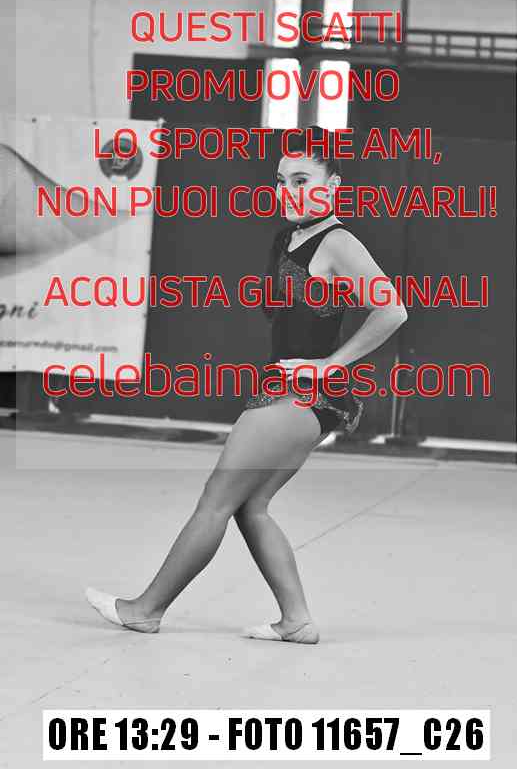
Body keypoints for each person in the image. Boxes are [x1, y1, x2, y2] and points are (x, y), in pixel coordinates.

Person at [86, 127, 408, 645]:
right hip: (294, 395)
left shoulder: (338, 242)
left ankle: (145, 609)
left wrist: (330, 364)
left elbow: (391, 309)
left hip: (296, 394)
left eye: (302, 180)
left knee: (216, 500)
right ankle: (296, 620)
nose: (288, 191)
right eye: (281, 180)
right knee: (250, 507)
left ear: (333, 186)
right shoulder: (288, 237)